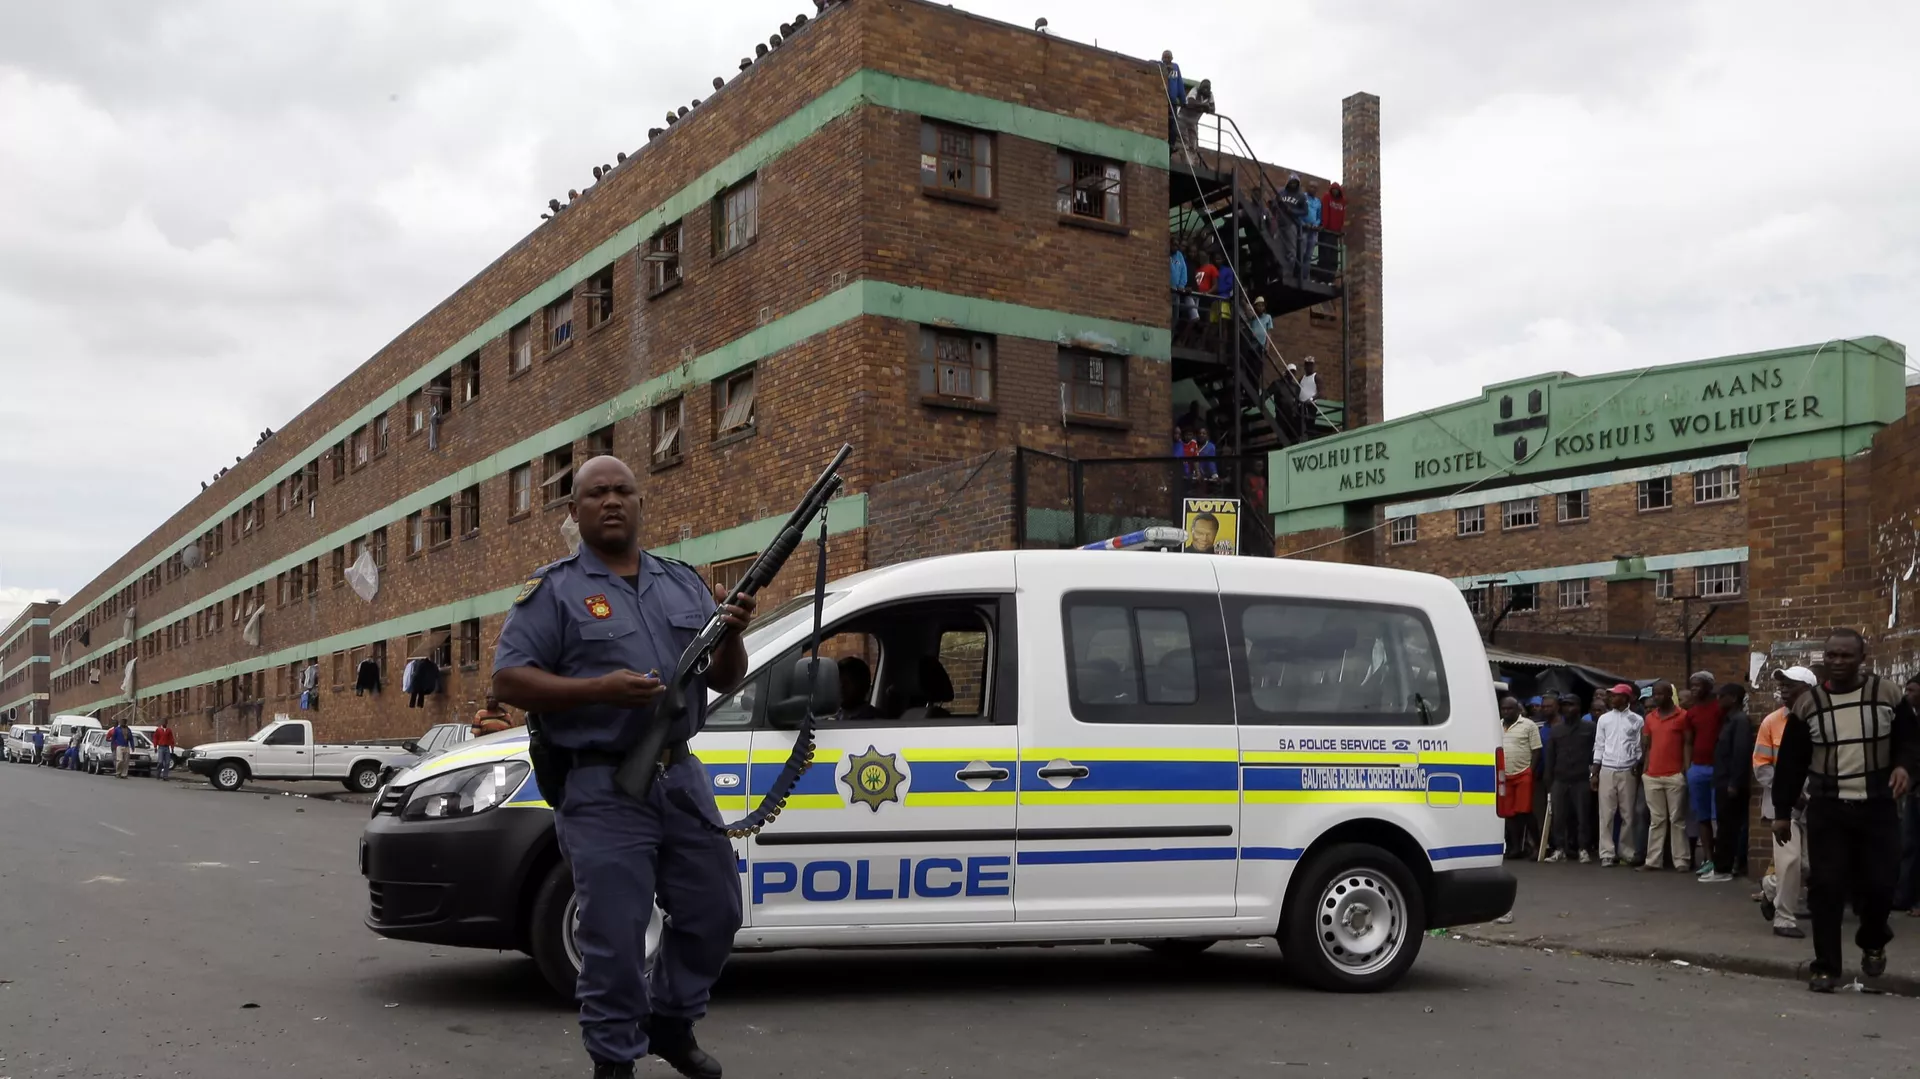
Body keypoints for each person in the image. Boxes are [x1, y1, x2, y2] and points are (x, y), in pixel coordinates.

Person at [492, 455, 756, 1078]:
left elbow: (726, 677)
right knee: (613, 934)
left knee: (715, 911)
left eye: (622, 492)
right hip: (601, 783)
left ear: (640, 503)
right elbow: (508, 678)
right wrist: (598, 691)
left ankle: (670, 1020)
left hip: (680, 775)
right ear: (575, 512)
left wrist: (734, 632)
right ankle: (614, 1061)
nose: (611, 502)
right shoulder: (553, 589)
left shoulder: (683, 583)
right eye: (595, 494)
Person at [1772, 628, 1920, 992]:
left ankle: (1873, 940)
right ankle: (1826, 967)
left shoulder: (1887, 695)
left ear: (1862, 658)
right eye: (1832, 656)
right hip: (1827, 809)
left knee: (1881, 885)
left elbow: (1911, 742)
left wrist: (1905, 768)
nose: (1838, 662)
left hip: (1878, 808)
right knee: (1826, 887)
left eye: (1846, 656)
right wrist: (1780, 811)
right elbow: (1791, 761)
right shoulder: (1809, 705)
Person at [1755, 666, 1816, 938]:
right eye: (1782, 684)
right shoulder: (1771, 722)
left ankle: (1769, 887)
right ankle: (1784, 919)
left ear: (1809, 690)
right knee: (1790, 861)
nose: (1784, 689)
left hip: (1816, 803)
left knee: (1807, 865)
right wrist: (1791, 793)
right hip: (1784, 805)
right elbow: (1762, 766)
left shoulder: (1820, 721)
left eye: (1791, 684)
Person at [1639, 680, 1691, 871]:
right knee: (1657, 820)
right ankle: (1653, 861)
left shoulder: (1683, 716)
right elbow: (1647, 744)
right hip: (1652, 775)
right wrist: (1645, 769)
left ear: (1670, 695)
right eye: (1654, 694)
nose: (1656, 697)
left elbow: (1687, 743)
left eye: (1660, 694)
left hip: (1674, 774)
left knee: (1677, 820)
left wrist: (1685, 770)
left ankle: (1681, 860)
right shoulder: (1650, 718)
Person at [1591, 683, 1644, 867]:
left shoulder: (1637, 720)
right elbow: (1599, 745)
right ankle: (1606, 853)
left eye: (1615, 696)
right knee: (1606, 813)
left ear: (1626, 698)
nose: (1611, 699)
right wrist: (1595, 773)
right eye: (1611, 696)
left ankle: (1626, 851)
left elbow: (1639, 747)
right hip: (1607, 768)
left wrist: (1638, 764)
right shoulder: (1604, 719)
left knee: (1628, 814)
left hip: (1628, 769)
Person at [1706, 682, 1753, 883]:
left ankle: (1723, 869)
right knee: (1724, 825)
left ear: (1733, 698)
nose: (1718, 700)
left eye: (1721, 696)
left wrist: (1734, 782)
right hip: (1723, 780)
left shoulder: (1740, 721)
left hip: (1729, 783)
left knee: (1728, 827)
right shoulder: (1729, 720)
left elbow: (1741, 753)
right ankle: (1721, 866)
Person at [1542, 693, 1595, 863]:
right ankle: (1559, 849)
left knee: (1583, 816)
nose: (1568, 708)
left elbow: (1596, 753)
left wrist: (1594, 775)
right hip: (1560, 778)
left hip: (1581, 778)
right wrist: (1548, 780)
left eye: (1571, 705)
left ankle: (1583, 849)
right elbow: (1550, 756)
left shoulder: (1590, 728)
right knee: (1558, 816)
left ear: (1579, 708)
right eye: (1564, 705)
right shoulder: (1556, 730)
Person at [1683, 671, 1726, 877]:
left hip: (1717, 768)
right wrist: (1688, 767)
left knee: (1719, 817)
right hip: (1697, 769)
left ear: (1709, 686)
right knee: (1702, 816)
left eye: (1697, 685)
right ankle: (1708, 858)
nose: (1693, 689)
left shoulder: (1720, 708)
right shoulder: (1691, 713)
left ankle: (1722, 858)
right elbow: (1688, 741)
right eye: (1691, 686)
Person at [1499, 696, 1542, 858]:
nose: (1506, 711)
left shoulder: (1529, 725)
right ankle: (1516, 848)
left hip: (1523, 773)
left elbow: (1537, 750)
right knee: (1508, 813)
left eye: (1510, 709)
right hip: (1504, 775)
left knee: (1525, 811)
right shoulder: (1497, 724)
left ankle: (1537, 846)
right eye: (1503, 708)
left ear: (1518, 710)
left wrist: (1530, 771)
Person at [1897, 673, 1920, 916]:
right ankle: (1904, 896)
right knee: (1909, 845)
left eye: (1912, 690)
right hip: (1914, 791)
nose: (1907, 695)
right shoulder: (1911, 719)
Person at [1274, 174, 1308, 280]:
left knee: (1291, 251)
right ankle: (1277, 274)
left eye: (1295, 183)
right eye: (1291, 182)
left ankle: (1288, 274)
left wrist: (1292, 211)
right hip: (1279, 224)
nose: (1293, 184)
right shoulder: (1281, 192)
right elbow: (1274, 205)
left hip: (1291, 224)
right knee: (1277, 249)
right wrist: (1275, 206)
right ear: (1288, 182)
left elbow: (1305, 211)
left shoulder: (1301, 196)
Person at [1303, 182, 1323, 281]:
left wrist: (1316, 224)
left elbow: (1319, 217)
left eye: (1315, 188)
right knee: (1301, 253)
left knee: (1308, 255)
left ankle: (1305, 277)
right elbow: (1299, 212)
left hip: (1313, 231)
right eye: (1311, 187)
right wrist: (1303, 223)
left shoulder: (1318, 202)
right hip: (1303, 229)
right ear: (1307, 187)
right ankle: (1298, 275)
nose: (1313, 189)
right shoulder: (1303, 197)